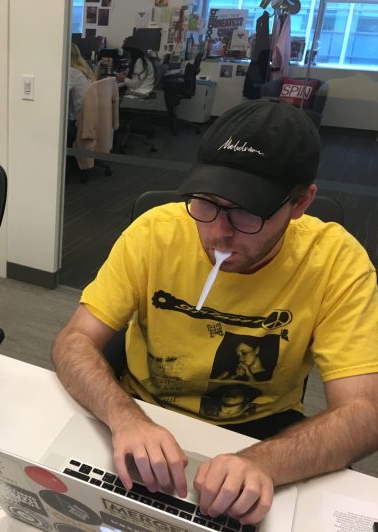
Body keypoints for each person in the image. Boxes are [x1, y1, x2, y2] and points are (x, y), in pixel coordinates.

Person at [52, 100, 378, 525]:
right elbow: (73, 341)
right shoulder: (156, 233)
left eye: (247, 211)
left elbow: (365, 414)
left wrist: (262, 462)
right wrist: (124, 417)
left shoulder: (336, 262)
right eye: (205, 202)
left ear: (300, 203)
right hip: (143, 411)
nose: (218, 233)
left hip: (261, 429)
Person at [67, 43, 97, 144]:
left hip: (76, 123)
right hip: (88, 120)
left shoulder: (70, 72)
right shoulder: (83, 69)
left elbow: (58, 96)